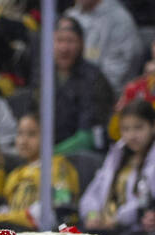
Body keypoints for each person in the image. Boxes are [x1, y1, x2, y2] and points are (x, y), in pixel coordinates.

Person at [80, 98, 155, 235]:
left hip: (132, 230)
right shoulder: (116, 155)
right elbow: (94, 191)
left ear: (152, 126)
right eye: (126, 129)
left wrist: (117, 219)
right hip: (105, 228)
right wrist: (92, 215)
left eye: (138, 127)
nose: (131, 135)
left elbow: (145, 202)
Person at [0, 110, 81, 229]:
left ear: (48, 137)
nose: (23, 141)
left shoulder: (59, 167)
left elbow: (61, 209)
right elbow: (5, 209)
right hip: (14, 231)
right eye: (20, 133)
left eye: (31, 134)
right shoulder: (15, 174)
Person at [51, 15, 114, 156]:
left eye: (70, 41)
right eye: (59, 40)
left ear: (81, 44)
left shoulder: (93, 78)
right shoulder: (44, 75)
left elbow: (87, 136)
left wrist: (51, 155)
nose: (64, 48)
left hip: (83, 156)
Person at [67, 0, 143, 95]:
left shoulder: (120, 21)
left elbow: (116, 76)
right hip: (70, 95)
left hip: (105, 99)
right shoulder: (69, 16)